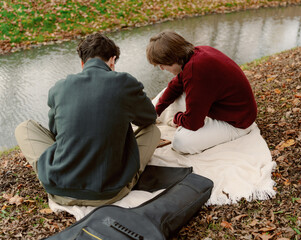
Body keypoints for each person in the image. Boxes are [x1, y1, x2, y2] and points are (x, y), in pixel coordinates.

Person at [15, 33, 160, 206]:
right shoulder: (124, 82)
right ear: (112, 61)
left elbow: (55, 133)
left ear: (82, 63)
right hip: (110, 193)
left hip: (60, 190)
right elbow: (149, 118)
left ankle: (57, 173)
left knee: (24, 127)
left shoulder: (59, 87)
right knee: (153, 131)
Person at [146, 30, 257, 154]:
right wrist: (156, 111)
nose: (161, 68)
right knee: (167, 91)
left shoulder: (196, 73)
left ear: (174, 58)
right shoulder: (195, 52)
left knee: (181, 143)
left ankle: (182, 121)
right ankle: (149, 116)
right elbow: (174, 86)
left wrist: (176, 119)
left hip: (238, 122)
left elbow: (193, 123)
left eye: (162, 64)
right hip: (224, 106)